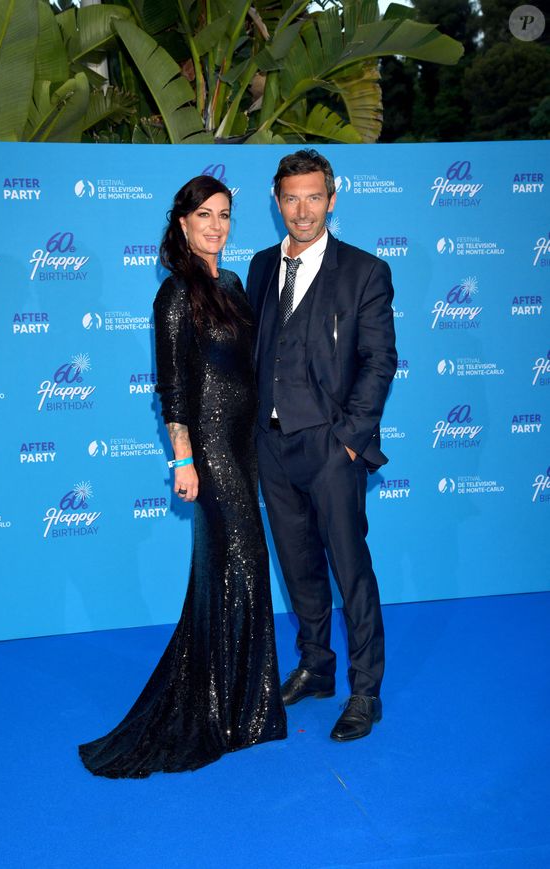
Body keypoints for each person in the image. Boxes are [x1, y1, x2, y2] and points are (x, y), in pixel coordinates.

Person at [79, 176, 287, 776]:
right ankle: (226, 707)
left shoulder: (233, 284)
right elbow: (171, 385)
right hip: (211, 449)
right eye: (204, 215)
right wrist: (184, 457)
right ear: (182, 224)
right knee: (242, 561)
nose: (216, 225)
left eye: (224, 215)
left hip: (246, 445)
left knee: (224, 569)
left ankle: (242, 704)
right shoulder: (176, 293)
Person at [247, 150, 397, 742]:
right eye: (292, 197)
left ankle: (366, 690)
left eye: (314, 197)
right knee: (298, 564)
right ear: (277, 201)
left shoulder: (364, 271)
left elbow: (379, 362)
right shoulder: (261, 267)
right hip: (272, 444)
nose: (303, 210)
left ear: (332, 200)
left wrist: (350, 442)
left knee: (350, 569)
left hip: (332, 448)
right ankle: (316, 666)